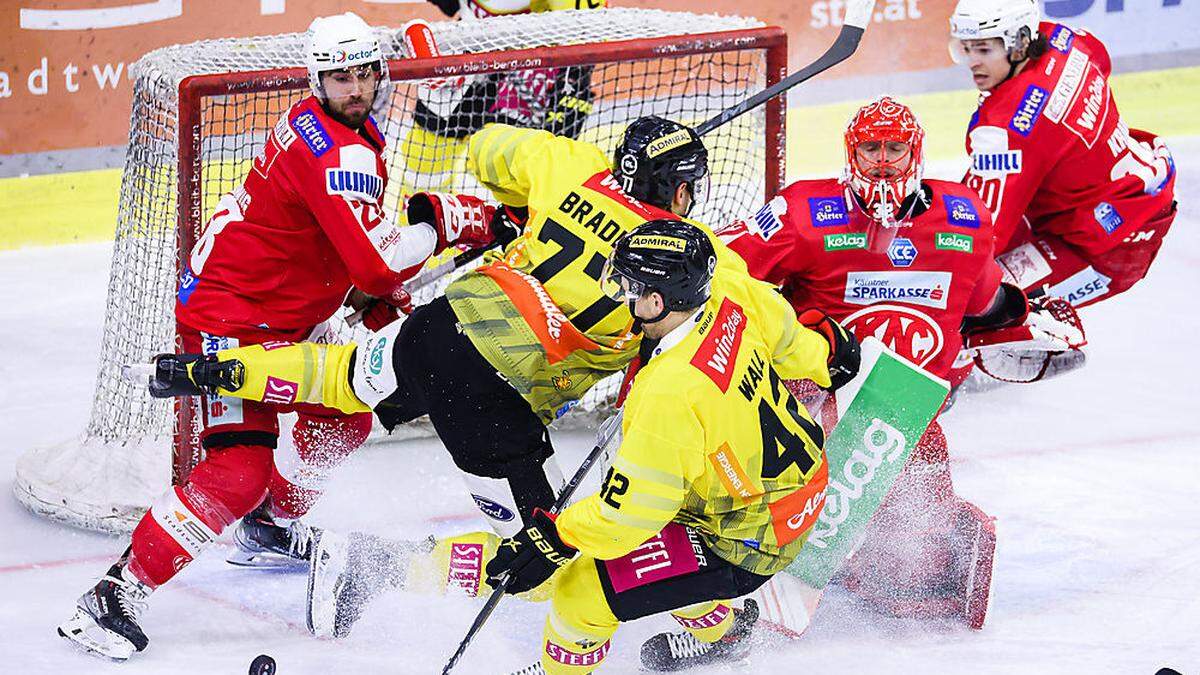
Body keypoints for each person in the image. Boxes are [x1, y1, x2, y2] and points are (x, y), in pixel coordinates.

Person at [56, 12, 498, 661]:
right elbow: (376, 262)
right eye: (338, 76)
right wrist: (448, 221)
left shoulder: (344, 129)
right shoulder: (337, 148)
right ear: (318, 79)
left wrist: (368, 292)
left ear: (377, 73)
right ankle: (112, 595)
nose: (353, 85)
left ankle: (269, 528)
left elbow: (337, 248)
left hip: (278, 313)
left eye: (362, 72)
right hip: (227, 319)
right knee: (238, 469)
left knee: (342, 415)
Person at [717, 96, 1083, 632]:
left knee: (915, 577)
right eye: (871, 148)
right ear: (851, 153)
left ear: (915, 153)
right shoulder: (803, 212)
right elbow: (724, 265)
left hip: (906, 407)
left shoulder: (964, 218)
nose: (883, 161)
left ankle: (861, 557)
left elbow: (983, 303)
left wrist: (1021, 311)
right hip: (809, 394)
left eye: (894, 148)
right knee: (777, 510)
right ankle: (753, 561)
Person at [484, 219, 859, 673]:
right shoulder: (726, 294)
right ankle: (729, 633)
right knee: (663, 555)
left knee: (580, 590)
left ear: (657, 302)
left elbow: (631, 518)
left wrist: (557, 536)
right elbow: (785, 330)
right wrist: (824, 356)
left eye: (630, 287)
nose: (622, 295)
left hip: (749, 538)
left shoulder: (669, 393)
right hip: (793, 483)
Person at [952, 0, 1177, 313]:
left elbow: (983, 236)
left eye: (984, 50)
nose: (972, 62)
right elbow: (1101, 59)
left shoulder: (1004, 130)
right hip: (1132, 195)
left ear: (1019, 43)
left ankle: (1040, 346)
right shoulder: (1066, 39)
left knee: (969, 302)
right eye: (965, 48)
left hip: (1109, 246)